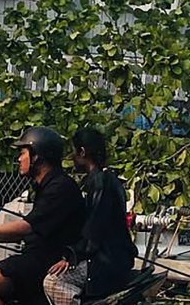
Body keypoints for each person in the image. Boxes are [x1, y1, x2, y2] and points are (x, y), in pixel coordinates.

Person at [0, 127, 85, 305]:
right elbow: (26, 232)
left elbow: (26, 227)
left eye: (22, 153)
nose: (19, 159)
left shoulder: (60, 187)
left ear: (37, 156)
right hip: (37, 257)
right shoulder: (46, 186)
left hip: (49, 261)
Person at [43, 127, 137, 305]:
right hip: (113, 258)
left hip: (104, 262)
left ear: (82, 152)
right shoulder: (105, 179)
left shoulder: (99, 183)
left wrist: (71, 256)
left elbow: (94, 228)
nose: (71, 157)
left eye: (74, 152)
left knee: (53, 280)